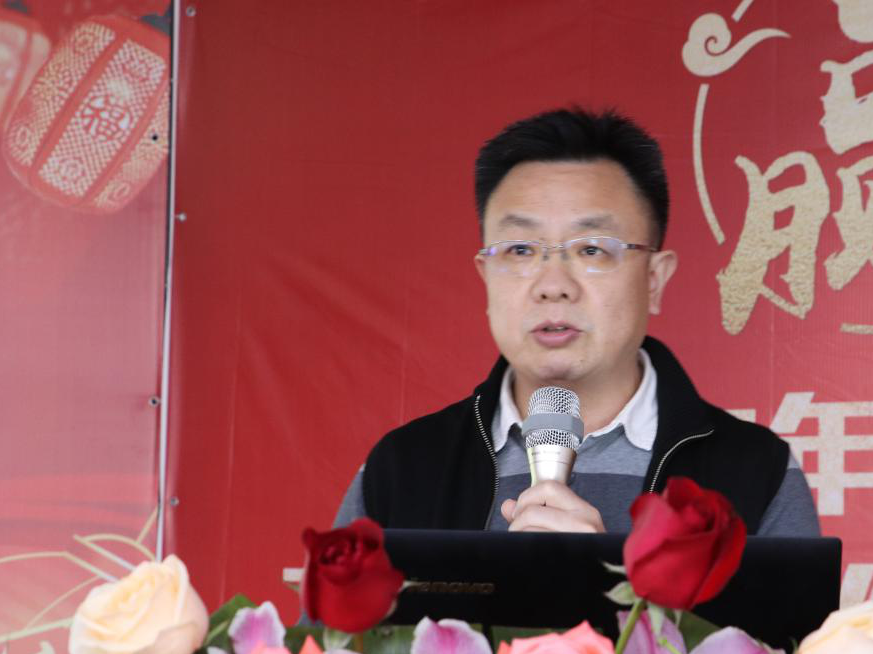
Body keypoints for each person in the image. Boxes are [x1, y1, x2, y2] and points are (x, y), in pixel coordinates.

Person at [335, 107, 818, 537]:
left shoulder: (754, 471)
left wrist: (591, 582)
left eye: (591, 249)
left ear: (654, 279)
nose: (553, 285)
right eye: (520, 250)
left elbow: (787, 619)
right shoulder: (403, 468)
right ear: (485, 276)